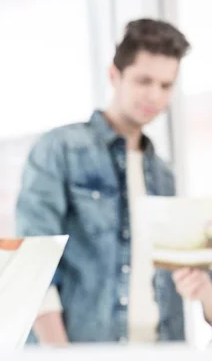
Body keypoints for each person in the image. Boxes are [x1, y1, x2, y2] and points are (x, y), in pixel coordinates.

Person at [16, 18, 204, 345]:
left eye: (165, 85)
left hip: (161, 347)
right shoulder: (60, 149)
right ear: (114, 75)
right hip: (84, 348)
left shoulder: (163, 174)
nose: (154, 95)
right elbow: (33, 263)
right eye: (144, 80)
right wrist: (59, 353)